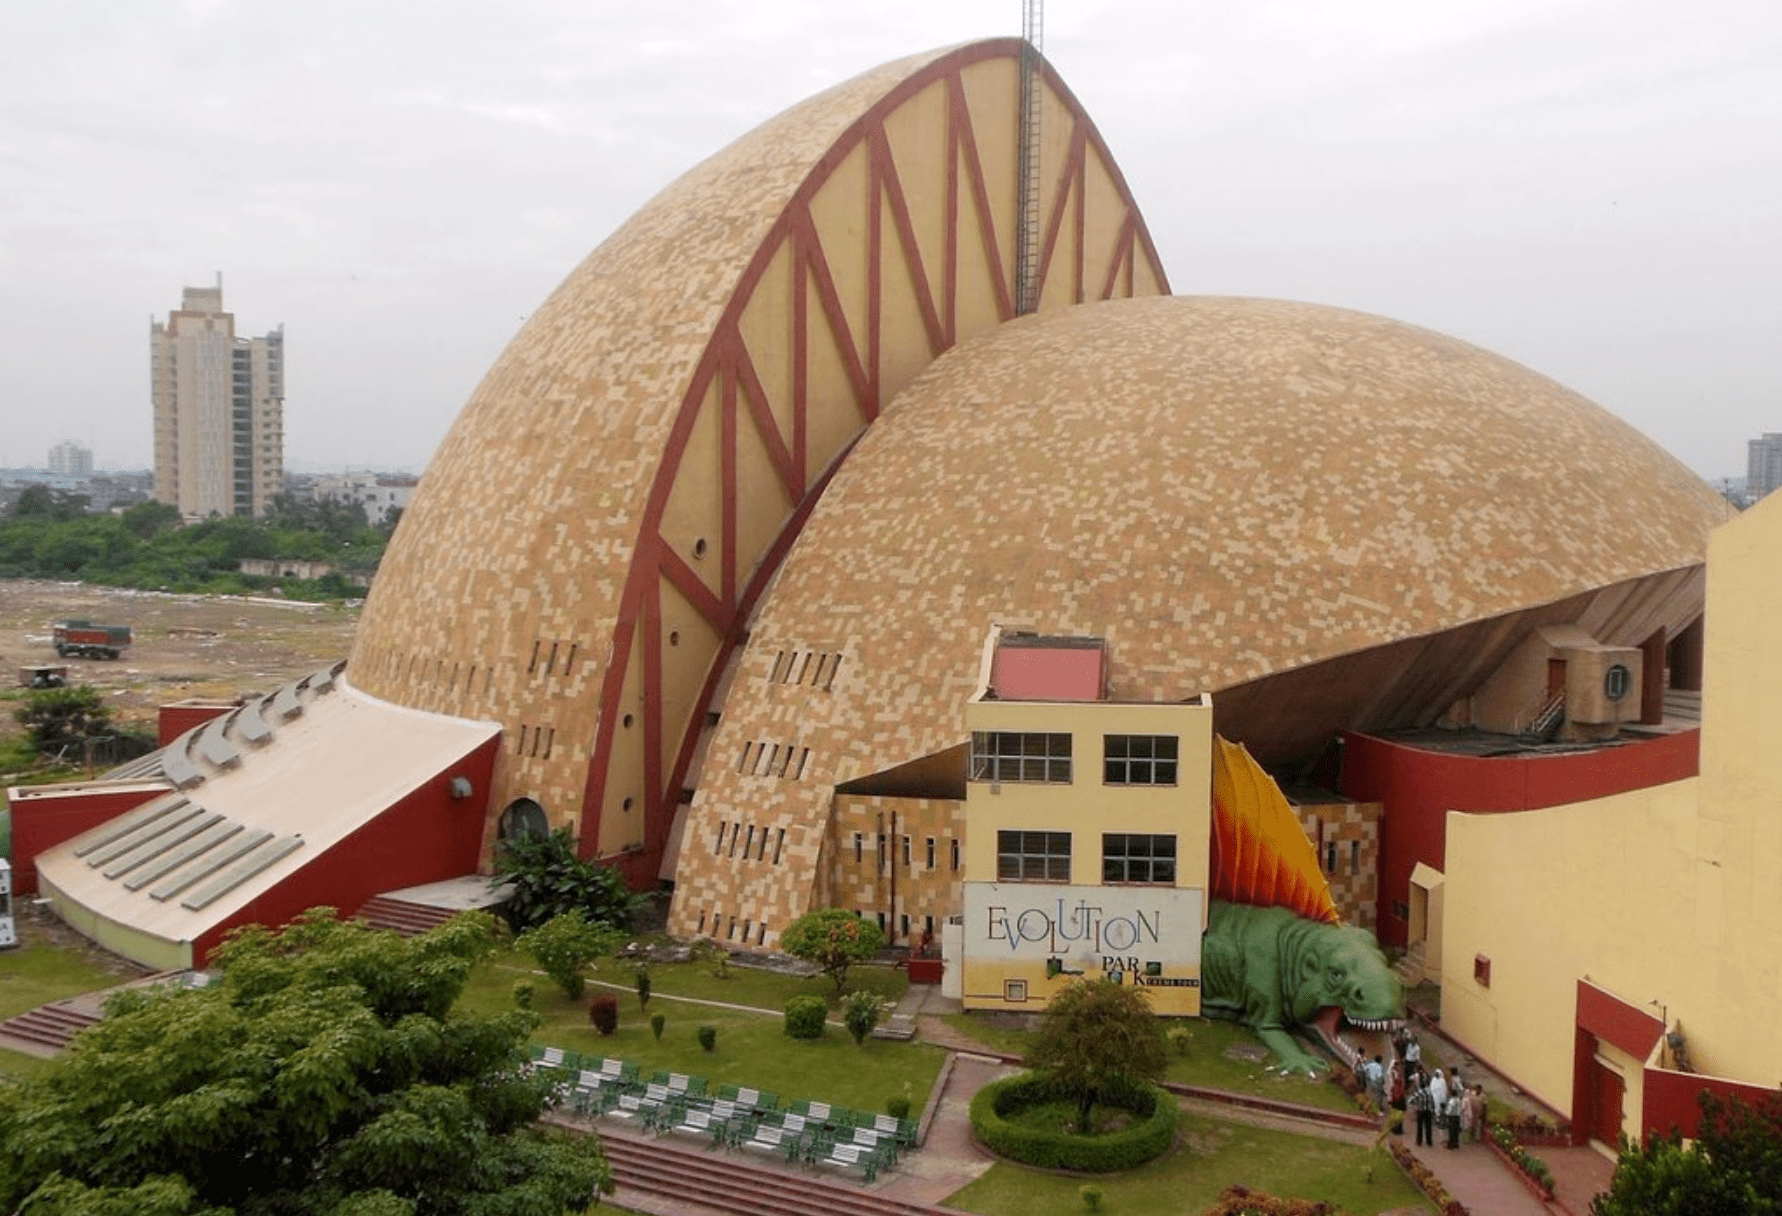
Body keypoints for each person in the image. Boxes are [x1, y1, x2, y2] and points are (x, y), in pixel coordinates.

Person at [1409, 1072, 1435, 1146]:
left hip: (1421, 1111)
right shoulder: (1430, 1093)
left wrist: (1415, 1103)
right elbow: (1432, 1102)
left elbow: (1410, 1100)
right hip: (1428, 1111)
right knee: (1428, 1127)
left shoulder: (1419, 1093)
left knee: (1420, 1127)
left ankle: (1419, 1141)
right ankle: (1429, 1141)